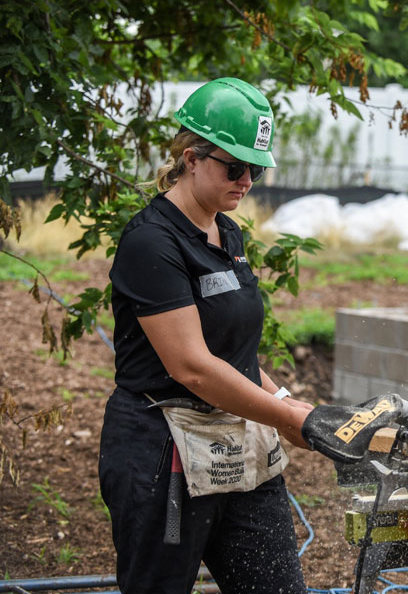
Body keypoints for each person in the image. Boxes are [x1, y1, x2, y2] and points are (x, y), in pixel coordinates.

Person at [99, 77, 311, 593]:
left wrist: (287, 401)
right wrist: (284, 418)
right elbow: (191, 365)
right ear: (191, 158)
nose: (247, 181)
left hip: (237, 436)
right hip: (163, 449)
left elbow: (231, 351)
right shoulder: (152, 242)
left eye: (255, 169)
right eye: (234, 167)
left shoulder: (227, 230)